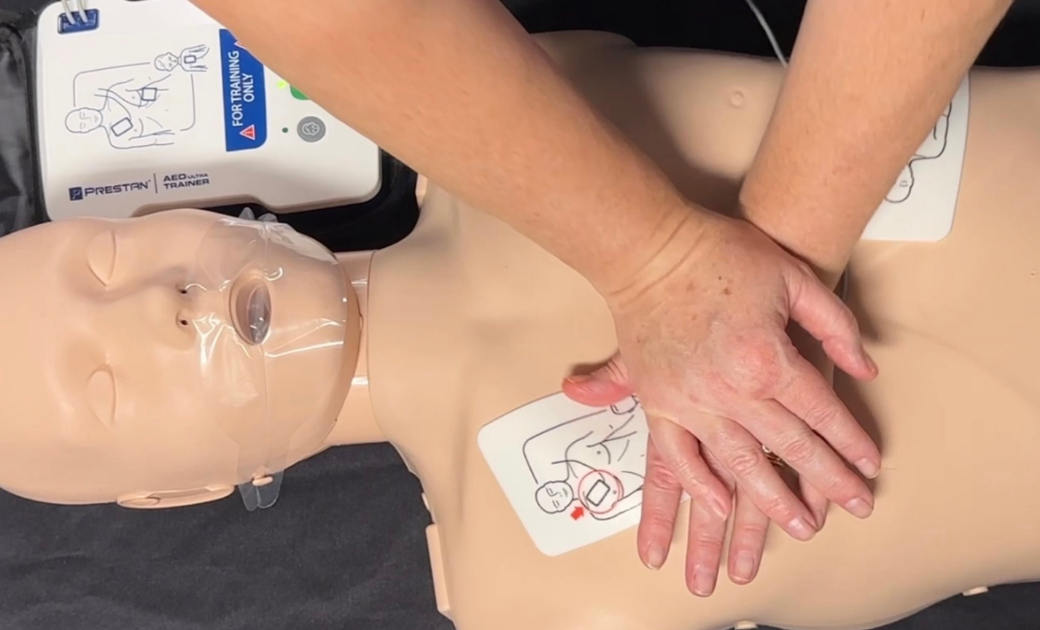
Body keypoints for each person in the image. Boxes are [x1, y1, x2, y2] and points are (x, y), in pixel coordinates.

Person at [187, 0, 1013, 595]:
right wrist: (677, 269)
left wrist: (677, 266)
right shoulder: (512, 594)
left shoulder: (496, 98)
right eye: (101, 380)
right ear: (174, 495)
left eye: (105, 256)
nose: (169, 313)